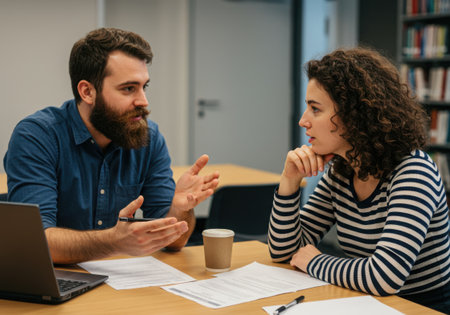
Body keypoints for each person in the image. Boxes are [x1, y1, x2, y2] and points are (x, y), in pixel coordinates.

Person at [3, 28, 219, 265]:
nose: (143, 101)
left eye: (144, 87)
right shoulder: (37, 136)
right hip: (58, 284)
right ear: (87, 92)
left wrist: (179, 211)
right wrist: (114, 242)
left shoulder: (148, 136)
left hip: (118, 284)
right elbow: (37, 243)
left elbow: (173, 242)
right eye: (128, 88)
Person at [268, 47, 450, 314]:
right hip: (367, 302)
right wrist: (289, 182)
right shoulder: (342, 170)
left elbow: (385, 277)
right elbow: (285, 251)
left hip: (419, 308)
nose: (302, 121)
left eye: (315, 109)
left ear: (354, 116)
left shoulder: (413, 171)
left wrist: (316, 262)